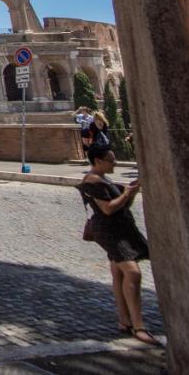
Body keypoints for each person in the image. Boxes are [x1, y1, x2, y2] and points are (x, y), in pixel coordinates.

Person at [79, 146, 158, 346]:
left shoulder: (103, 179)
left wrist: (129, 193)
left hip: (118, 227)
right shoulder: (92, 180)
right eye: (110, 160)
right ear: (98, 160)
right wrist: (127, 194)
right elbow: (107, 209)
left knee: (119, 273)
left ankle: (124, 320)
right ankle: (138, 326)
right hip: (109, 230)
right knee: (133, 273)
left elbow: (118, 205)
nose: (114, 163)